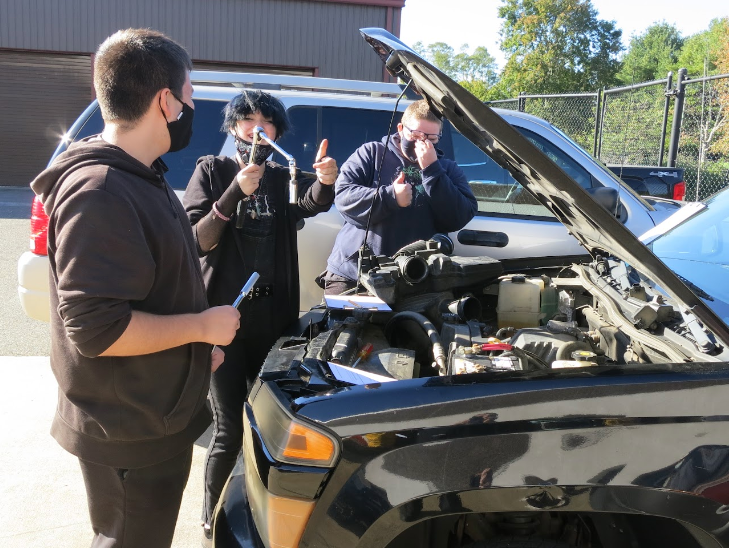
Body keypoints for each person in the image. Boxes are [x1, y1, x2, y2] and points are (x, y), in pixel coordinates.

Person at [29, 29, 241, 548]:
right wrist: (201, 325)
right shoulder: (100, 190)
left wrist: (192, 351)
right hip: (128, 428)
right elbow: (98, 330)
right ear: (165, 101)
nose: (192, 107)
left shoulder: (143, 176)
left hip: (154, 412)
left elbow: (162, 276)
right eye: (189, 96)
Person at [182, 89, 338, 541]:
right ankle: (211, 520)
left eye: (266, 122)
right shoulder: (212, 171)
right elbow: (198, 240)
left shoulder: (279, 175)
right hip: (224, 321)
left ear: (276, 133)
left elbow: (308, 204)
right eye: (248, 120)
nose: (257, 128)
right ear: (234, 128)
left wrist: (325, 180)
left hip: (275, 319)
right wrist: (235, 192)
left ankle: (257, 514)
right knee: (229, 427)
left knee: (269, 426)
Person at [322, 99, 478, 294]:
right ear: (400, 128)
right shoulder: (371, 153)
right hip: (354, 274)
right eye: (416, 135)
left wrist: (432, 170)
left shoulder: (447, 168)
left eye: (432, 138)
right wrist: (390, 197)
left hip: (415, 278)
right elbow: (344, 196)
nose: (423, 143)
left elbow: (461, 215)